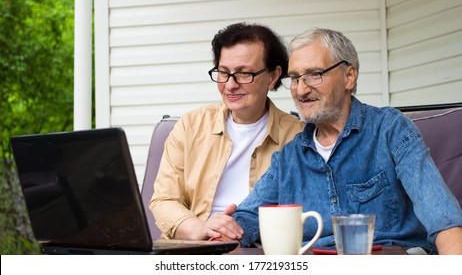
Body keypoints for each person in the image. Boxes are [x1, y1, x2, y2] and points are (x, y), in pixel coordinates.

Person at [220, 28, 462, 254]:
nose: (301, 90)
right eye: (295, 78)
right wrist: (223, 228)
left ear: (349, 76)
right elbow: (244, 221)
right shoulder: (289, 158)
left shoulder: (390, 130)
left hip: (387, 261)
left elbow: (443, 219)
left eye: (314, 75)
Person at [149, 22, 304, 240]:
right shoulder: (189, 126)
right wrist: (199, 228)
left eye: (244, 74)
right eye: (223, 73)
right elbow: (164, 199)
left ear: (273, 76)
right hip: (192, 247)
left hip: (257, 249)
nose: (230, 85)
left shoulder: (298, 137)